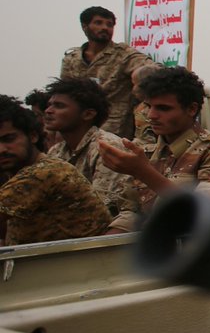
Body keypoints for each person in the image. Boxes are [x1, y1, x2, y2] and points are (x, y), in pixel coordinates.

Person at [99, 68, 210, 233]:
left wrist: (142, 171)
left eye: (163, 108)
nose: (152, 115)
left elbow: (201, 212)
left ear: (191, 109)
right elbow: (131, 215)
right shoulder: (147, 151)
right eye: (148, 106)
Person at [0, 96, 112, 245]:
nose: (1, 149)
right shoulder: (17, 173)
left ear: (33, 136)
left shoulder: (44, 172)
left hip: (74, 263)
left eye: (9, 139)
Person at [61, 6, 156, 139]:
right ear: (85, 26)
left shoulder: (124, 55)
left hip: (114, 132)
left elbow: (152, 69)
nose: (105, 27)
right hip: (78, 130)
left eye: (109, 24)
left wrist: (140, 76)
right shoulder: (72, 59)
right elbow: (63, 94)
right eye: (98, 23)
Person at [42, 77, 129, 217]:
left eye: (59, 106)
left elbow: (104, 208)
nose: (48, 111)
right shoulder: (55, 151)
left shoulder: (107, 146)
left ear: (88, 114)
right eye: (49, 105)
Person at [130, 65, 160, 145]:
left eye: (134, 84)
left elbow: (147, 142)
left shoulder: (146, 111)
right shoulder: (140, 106)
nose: (133, 89)